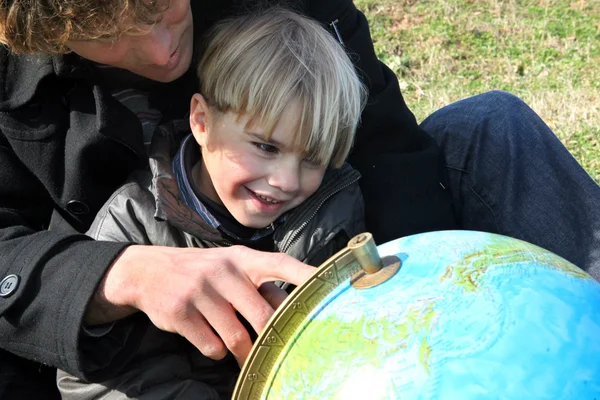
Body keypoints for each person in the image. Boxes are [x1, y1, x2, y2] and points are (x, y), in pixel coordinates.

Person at [0, 0, 598, 398]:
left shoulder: (325, 190)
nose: (160, 51)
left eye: (161, 6)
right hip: (106, 317)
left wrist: (422, 321)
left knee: (491, 125)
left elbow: (387, 147)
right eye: (104, 36)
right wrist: (112, 276)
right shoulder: (124, 219)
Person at [55, 9, 366, 398]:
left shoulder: (334, 203)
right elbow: (91, 380)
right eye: (266, 146)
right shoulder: (131, 228)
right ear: (201, 121)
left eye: (312, 159)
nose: (286, 181)